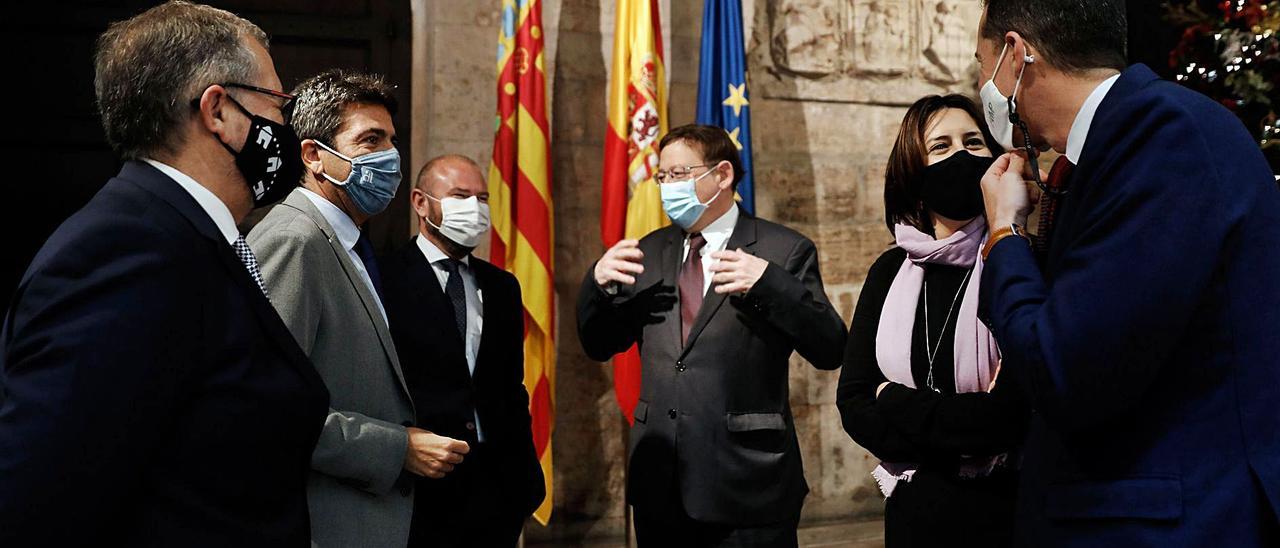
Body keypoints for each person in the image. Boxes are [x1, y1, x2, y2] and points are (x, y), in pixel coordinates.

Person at [0, 2, 329, 545]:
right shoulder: (129, 251)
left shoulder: (184, 235)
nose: (286, 128)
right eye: (278, 104)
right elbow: (43, 503)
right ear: (218, 111)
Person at [974, 0, 1280, 544]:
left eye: (982, 64)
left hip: (1163, 522)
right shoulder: (1106, 149)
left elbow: (1065, 368)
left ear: (1017, 55)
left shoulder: (1162, 134)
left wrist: (1003, 232)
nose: (985, 87)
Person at [576, 124, 847, 546]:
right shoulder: (647, 251)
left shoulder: (782, 249)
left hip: (747, 484)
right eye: (662, 177)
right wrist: (597, 286)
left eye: (679, 174)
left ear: (722, 175)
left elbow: (830, 347)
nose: (667, 187)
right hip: (660, 485)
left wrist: (770, 284)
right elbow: (598, 344)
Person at [837, 94, 1028, 547]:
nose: (961, 155)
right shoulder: (889, 271)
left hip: (1007, 514)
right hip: (915, 515)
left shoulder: (1021, 262)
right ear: (913, 173)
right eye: (940, 147)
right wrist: (958, 433)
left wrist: (896, 402)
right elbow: (855, 402)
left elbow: (1009, 417)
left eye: (974, 142)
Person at [246, 69, 424, 547]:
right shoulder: (293, 239)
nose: (390, 157)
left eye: (391, 139)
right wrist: (398, 449)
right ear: (314, 156)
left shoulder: (348, 241)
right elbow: (266, 408)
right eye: (370, 140)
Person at [380, 155, 546, 547]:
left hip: (497, 490)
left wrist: (526, 480)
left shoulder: (503, 286)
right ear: (421, 203)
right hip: (421, 488)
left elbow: (510, 386)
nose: (474, 208)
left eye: (482, 197)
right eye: (459, 196)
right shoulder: (384, 278)